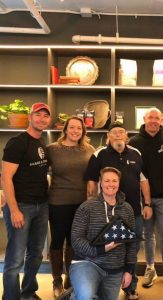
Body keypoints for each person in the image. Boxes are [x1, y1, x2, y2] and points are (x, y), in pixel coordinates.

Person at [85, 121, 152, 300]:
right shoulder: (99, 154)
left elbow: (143, 180)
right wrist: (92, 206)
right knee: (109, 248)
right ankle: (106, 284)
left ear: (126, 136)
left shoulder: (136, 153)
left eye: (121, 132)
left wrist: (147, 203)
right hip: (107, 212)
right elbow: (91, 182)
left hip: (134, 212)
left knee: (132, 248)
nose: (117, 135)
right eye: (114, 132)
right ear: (108, 136)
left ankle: (130, 287)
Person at [1, 102, 51, 300]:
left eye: (45, 116)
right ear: (30, 117)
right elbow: (5, 177)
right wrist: (14, 209)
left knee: (36, 254)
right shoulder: (17, 142)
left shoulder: (42, 143)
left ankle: (28, 291)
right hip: (21, 206)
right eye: (38, 115)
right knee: (15, 259)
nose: (42, 119)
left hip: (41, 206)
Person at [128, 107, 163, 291]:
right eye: (151, 118)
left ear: (162, 121)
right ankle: (150, 268)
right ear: (144, 118)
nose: (154, 121)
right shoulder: (133, 142)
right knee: (147, 236)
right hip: (142, 200)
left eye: (157, 118)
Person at [70, 167, 137, 300]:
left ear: (119, 183)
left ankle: (75, 294)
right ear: (101, 183)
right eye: (107, 181)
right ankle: (78, 294)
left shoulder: (127, 209)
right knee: (86, 296)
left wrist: (129, 271)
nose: (110, 184)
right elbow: (76, 240)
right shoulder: (87, 207)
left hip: (115, 269)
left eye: (114, 181)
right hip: (87, 263)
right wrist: (101, 249)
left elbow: (131, 244)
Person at [47, 116, 95, 298]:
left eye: (79, 128)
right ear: (65, 129)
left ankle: (70, 277)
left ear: (83, 131)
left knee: (75, 242)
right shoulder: (52, 149)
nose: (75, 131)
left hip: (81, 203)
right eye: (72, 127)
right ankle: (56, 280)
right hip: (58, 202)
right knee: (58, 240)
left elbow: (93, 175)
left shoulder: (88, 149)